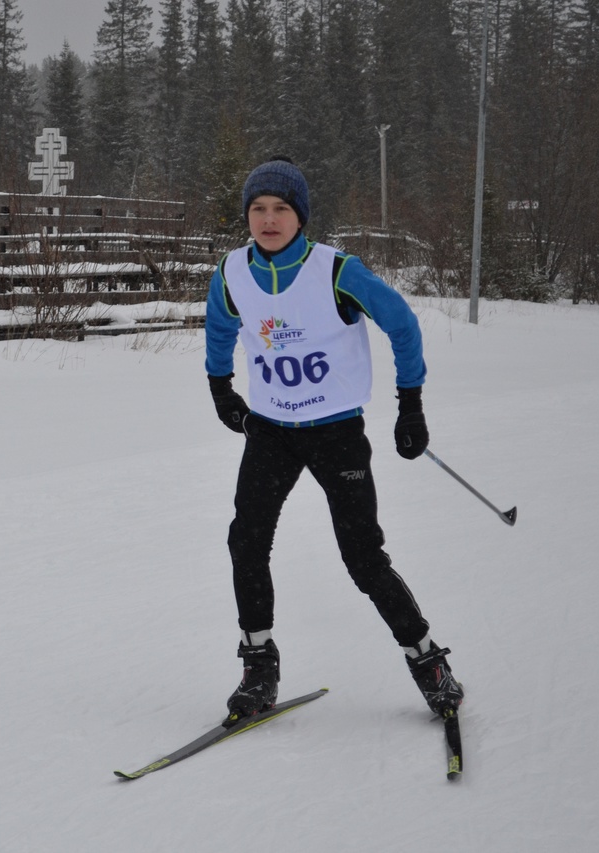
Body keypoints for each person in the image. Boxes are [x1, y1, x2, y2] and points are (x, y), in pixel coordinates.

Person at [204, 156, 464, 721]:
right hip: (271, 432)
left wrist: (411, 404)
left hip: (336, 434)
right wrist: (220, 387)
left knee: (362, 558)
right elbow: (220, 326)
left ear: (300, 217)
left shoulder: (336, 271)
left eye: (281, 209)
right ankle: (258, 667)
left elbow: (402, 323)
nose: (268, 220)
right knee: (246, 541)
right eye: (257, 209)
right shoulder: (231, 273)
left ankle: (428, 660)